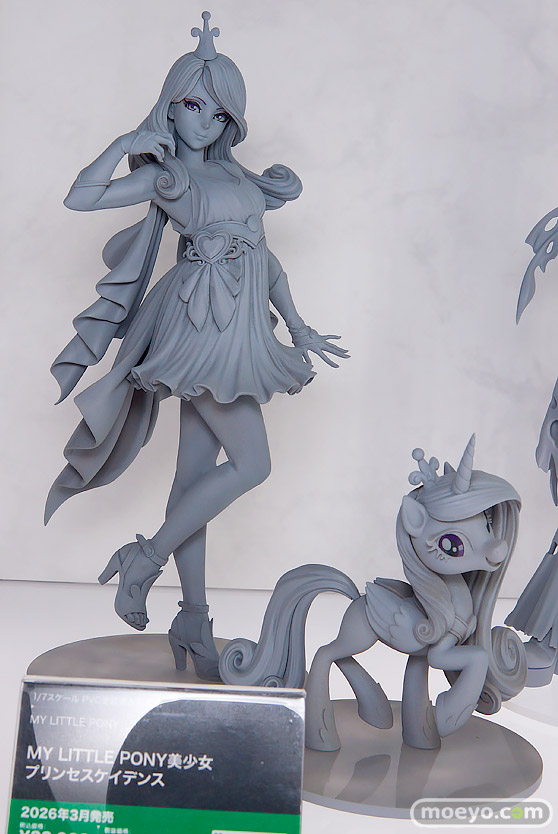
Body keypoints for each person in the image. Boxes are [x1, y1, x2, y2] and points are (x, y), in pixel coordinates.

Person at [45, 12, 348, 680]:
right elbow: (80, 197)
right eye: (190, 104)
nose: (204, 120)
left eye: (218, 109)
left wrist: (296, 325)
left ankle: (193, 615)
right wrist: (126, 140)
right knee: (253, 463)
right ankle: (145, 559)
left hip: (240, 325)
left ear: (232, 117)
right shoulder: (169, 180)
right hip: (199, 323)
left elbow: (264, 260)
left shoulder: (242, 181)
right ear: (170, 107)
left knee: (192, 479)